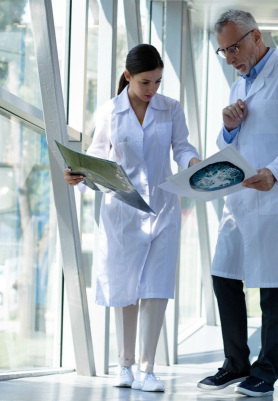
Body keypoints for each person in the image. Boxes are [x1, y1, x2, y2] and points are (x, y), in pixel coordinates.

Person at [197, 10, 278, 397]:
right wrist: (228, 128)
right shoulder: (239, 86)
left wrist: (275, 172)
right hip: (240, 202)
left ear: (255, 36)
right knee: (224, 277)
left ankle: (265, 373)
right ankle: (235, 363)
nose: (230, 58)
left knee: (273, 290)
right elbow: (233, 143)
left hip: (276, 199)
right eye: (223, 51)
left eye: (234, 48)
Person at [64, 44, 201, 392]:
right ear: (128, 76)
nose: (152, 89)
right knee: (125, 289)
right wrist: (78, 174)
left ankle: (148, 369)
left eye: (157, 81)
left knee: (156, 289)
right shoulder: (110, 111)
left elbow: (182, 147)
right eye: (145, 82)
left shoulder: (171, 109)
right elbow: (96, 156)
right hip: (122, 211)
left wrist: (192, 162)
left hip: (163, 209)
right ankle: (124, 365)